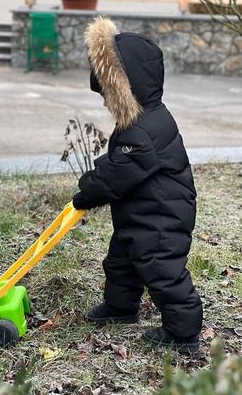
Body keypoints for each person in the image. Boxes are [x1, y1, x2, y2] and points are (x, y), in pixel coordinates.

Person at [72, 17, 203, 354]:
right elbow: (122, 163)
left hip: (161, 216)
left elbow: (122, 172)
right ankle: (120, 306)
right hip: (141, 211)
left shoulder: (143, 129)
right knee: (121, 261)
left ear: (126, 88)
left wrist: (90, 187)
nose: (104, 101)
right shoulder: (141, 120)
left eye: (107, 92)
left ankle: (183, 330)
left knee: (160, 269)